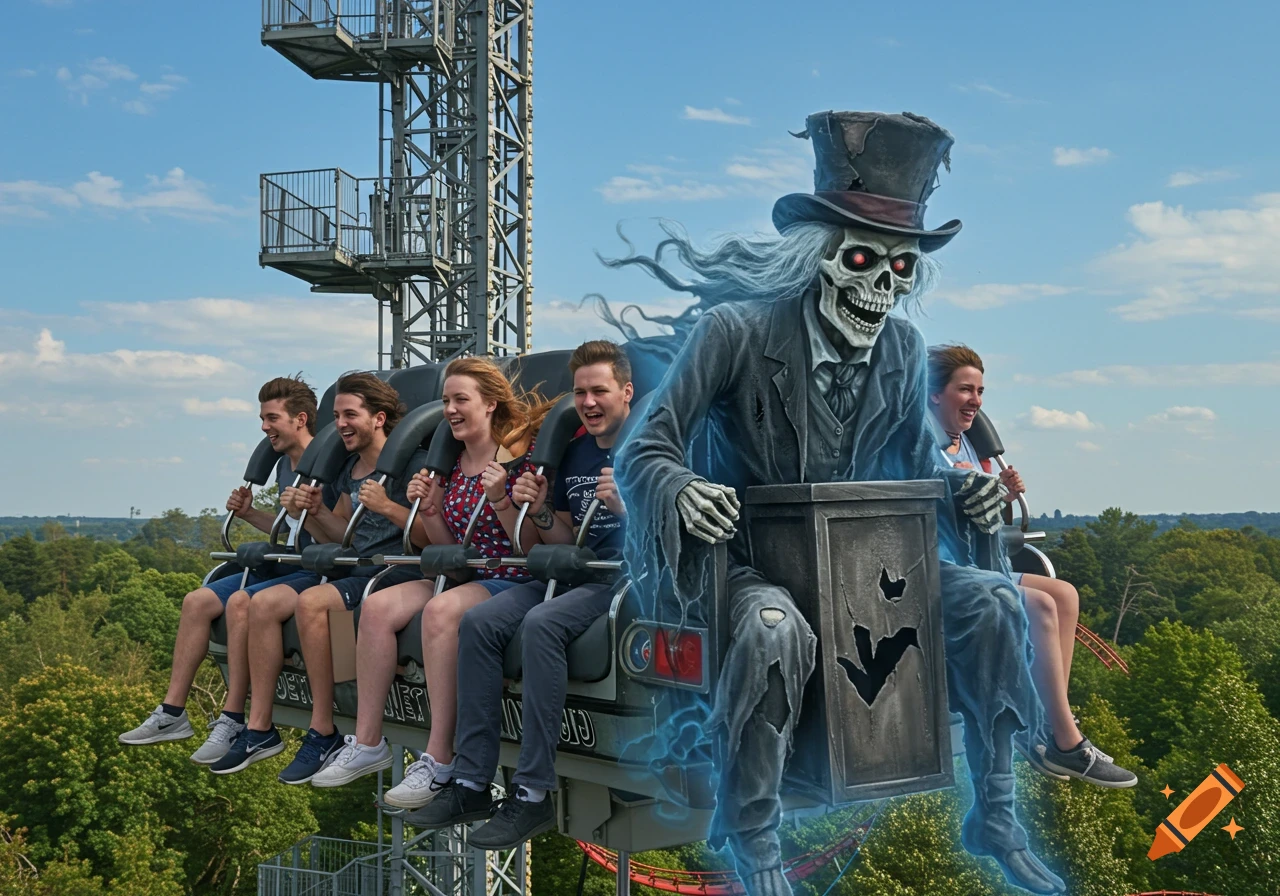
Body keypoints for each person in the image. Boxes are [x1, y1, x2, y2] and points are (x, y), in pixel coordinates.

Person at [613, 112, 1064, 895]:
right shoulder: (735, 332)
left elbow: (924, 468)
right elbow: (646, 448)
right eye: (862, 260)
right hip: (758, 564)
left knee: (994, 601)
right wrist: (683, 491)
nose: (880, 288)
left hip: (868, 567)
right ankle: (754, 834)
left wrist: (971, 492)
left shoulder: (899, 351)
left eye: (899, 271)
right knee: (771, 627)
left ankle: (994, 810)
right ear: (819, 261)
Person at [408, 341, 632, 846]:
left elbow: (673, 533)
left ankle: (532, 793)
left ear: (626, 391)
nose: (590, 402)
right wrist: (541, 511)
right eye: (580, 393)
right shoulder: (573, 451)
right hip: (572, 569)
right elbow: (561, 540)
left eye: (600, 391)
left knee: (541, 624)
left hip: (626, 576)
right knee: (479, 622)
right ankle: (469, 781)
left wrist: (625, 509)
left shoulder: (650, 444)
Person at [308, 357, 550, 801]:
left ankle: (440, 756)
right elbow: (440, 545)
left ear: (491, 405)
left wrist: (500, 500)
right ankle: (367, 742)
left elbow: (530, 547)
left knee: (440, 611)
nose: (451, 410)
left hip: (508, 575)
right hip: (459, 573)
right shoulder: (452, 465)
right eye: (445, 401)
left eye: (461, 400)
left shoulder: (520, 457)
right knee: (377, 606)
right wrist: (432, 510)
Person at [927, 344, 1136, 789]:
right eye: (965, 390)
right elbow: (936, 513)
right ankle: (1064, 741)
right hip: (946, 570)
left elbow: (978, 516)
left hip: (982, 560)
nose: (976, 401)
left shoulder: (965, 441)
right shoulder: (920, 445)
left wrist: (1000, 494)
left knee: (1065, 595)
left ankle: (1045, 719)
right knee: (1039, 606)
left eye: (980, 391)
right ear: (933, 394)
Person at [210, 372, 430, 782]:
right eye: (336, 416)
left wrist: (387, 506)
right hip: (355, 569)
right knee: (258, 601)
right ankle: (285, 724)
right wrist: (316, 512)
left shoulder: (412, 465)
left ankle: (323, 725)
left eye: (350, 415)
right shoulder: (350, 469)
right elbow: (341, 536)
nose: (341, 424)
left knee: (312, 602)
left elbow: (424, 536)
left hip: (397, 571)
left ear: (379, 418)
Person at [118, 375, 334, 765]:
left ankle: (234, 717)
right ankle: (172, 712)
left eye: (271, 418)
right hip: (289, 558)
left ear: (300, 420)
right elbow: (291, 529)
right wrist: (250, 513)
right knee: (196, 600)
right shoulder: (287, 465)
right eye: (262, 419)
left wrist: (308, 512)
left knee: (239, 602)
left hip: (317, 568)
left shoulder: (329, 463)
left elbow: (329, 529)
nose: (264, 427)